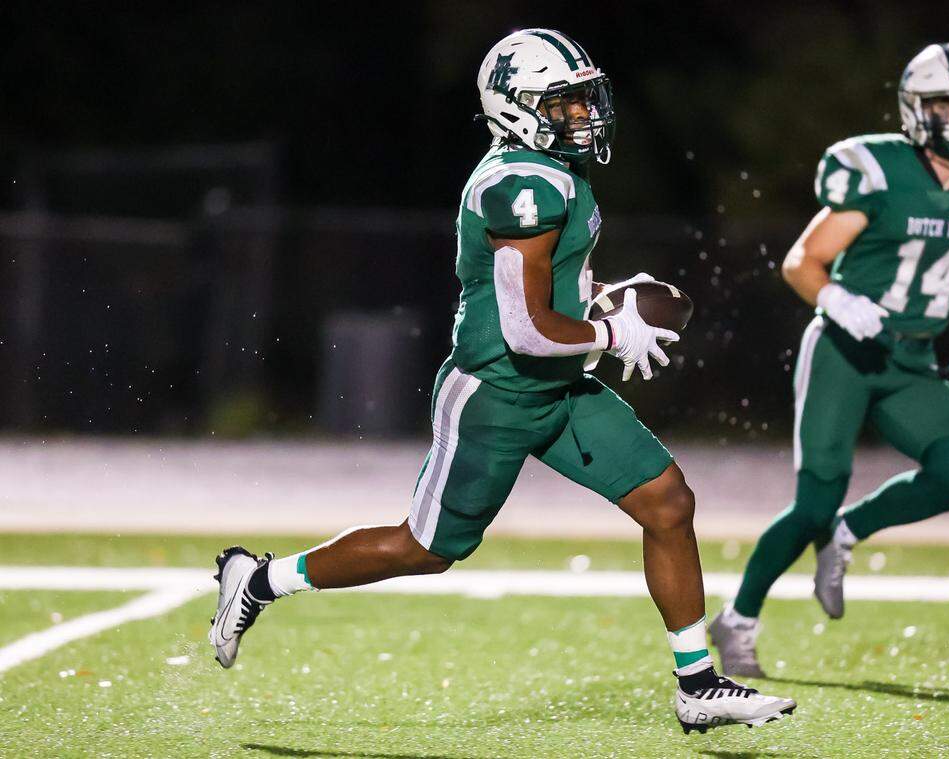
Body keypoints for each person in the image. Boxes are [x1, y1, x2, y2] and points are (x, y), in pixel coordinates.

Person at [209, 28, 795, 732]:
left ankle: (696, 685)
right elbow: (525, 328)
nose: (583, 115)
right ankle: (261, 579)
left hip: (559, 388)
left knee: (668, 502)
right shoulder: (520, 186)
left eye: (584, 100)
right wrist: (613, 331)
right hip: (496, 391)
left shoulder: (553, 172)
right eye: (565, 103)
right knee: (425, 549)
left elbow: (553, 292)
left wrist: (605, 295)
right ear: (515, 108)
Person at [711, 43, 949, 677]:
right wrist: (834, 298)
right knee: (812, 502)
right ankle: (738, 619)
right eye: (948, 100)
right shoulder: (878, 170)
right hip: (845, 349)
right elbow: (801, 261)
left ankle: (847, 532)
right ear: (916, 107)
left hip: (911, 358)